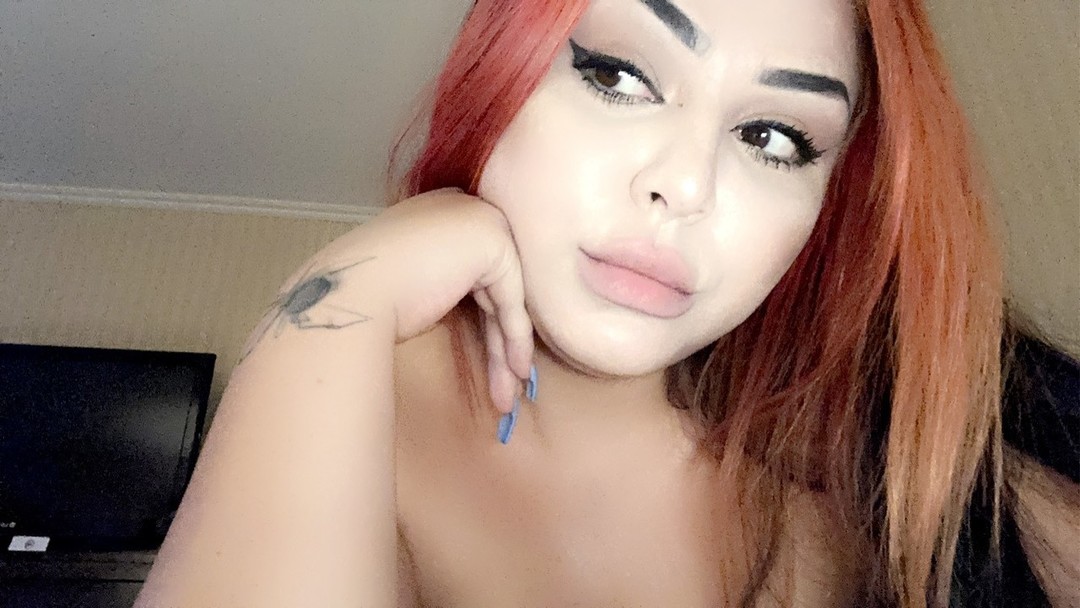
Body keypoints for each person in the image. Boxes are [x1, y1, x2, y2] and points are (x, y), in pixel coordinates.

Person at [135, 0, 1079, 606]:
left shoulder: (886, 490)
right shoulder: (347, 413)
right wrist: (344, 296)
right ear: (499, 73)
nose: (687, 185)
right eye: (619, 77)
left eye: (773, 137)